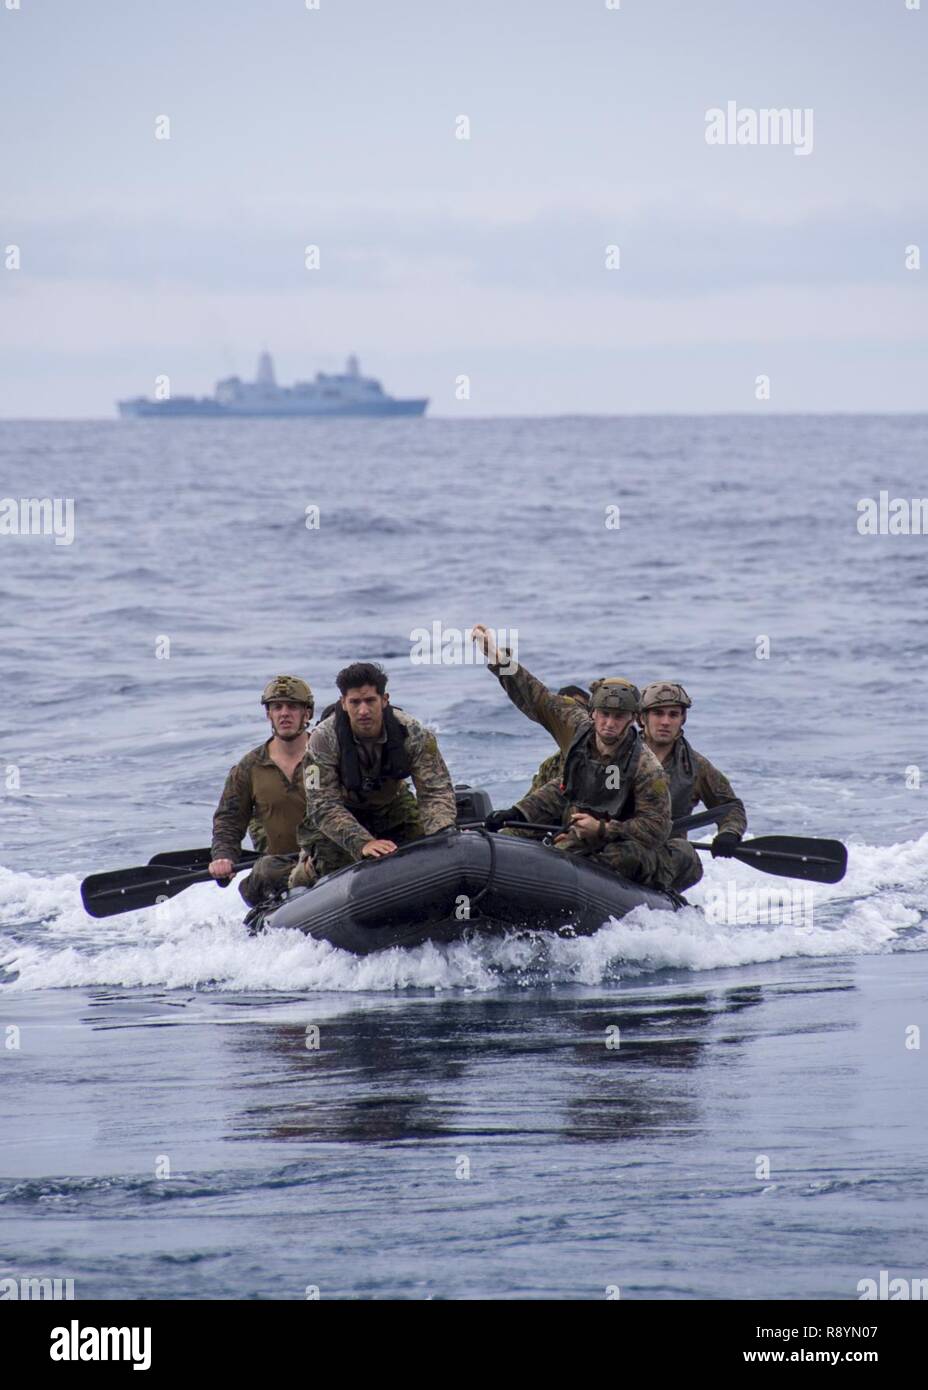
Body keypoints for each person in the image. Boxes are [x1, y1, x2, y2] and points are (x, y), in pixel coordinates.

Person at [470, 626, 671, 887]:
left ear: (633, 719)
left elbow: (656, 829)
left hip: (620, 841)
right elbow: (535, 697)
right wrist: (497, 658)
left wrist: (603, 829)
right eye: (604, 714)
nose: (609, 723)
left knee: (621, 859)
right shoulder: (576, 726)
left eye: (618, 717)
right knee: (506, 840)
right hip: (572, 826)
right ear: (593, 713)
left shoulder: (646, 768)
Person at [289, 662, 456, 886]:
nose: (363, 710)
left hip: (393, 806)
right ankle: (302, 870)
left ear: (384, 700)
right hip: (340, 813)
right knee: (334, 868)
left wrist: (441, 832)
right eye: (355, 702)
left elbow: (436, 789)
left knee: (430, 851)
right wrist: (363, 843)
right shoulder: (322, 740)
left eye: (370, 701)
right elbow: (322, 805)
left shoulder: (412, 732)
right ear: (344, 704)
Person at [209, 676, 314, 906]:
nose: (284, 713)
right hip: (278, 867)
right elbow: (229, 820)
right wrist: (224, 857)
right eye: (277, 707)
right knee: (266, 870)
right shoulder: (249, 767)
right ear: (269, 714)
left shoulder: (328, 754)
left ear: (307, 713)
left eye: (292, 706)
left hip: (326, 859)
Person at [638, 681, 747, 891]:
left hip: (667, 853)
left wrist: (729, 833)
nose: (665, 722)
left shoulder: (696, 767)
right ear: (642, 718)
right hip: (621, 842)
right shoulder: (619, 759)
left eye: (673, 715)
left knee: (684, 853)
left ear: (682, 719)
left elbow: (730, 807)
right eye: (658, 713)